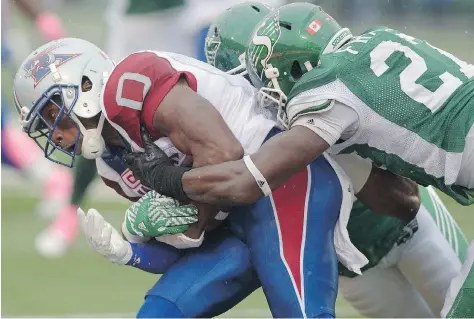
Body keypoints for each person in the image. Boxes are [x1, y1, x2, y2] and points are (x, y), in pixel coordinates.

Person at [12, 34, 353, 317]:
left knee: (301, 312)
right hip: (238, 215)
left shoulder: (129, 82)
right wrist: (129, 249)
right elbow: (187, 244)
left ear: (85, 84)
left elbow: (225, 153)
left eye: (53, 113)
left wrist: (185, 213)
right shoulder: (111, 166)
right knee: (160, 312)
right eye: (43, 125)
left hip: (281, 180)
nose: (53, 134)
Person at [123, 2, 474, 216]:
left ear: (292, 68)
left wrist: (168, 178)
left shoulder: (328, 91)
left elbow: (247, 182)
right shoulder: (381, 37)